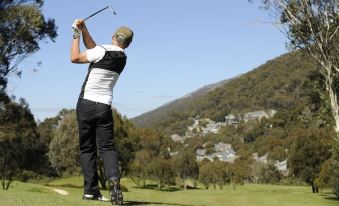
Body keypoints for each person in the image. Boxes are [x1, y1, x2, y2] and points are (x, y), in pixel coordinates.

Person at [70, 19, 133, 205]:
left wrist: (75, 33)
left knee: (87, 148)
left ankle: (91, 191)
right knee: (107, 148)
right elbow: (96, 49)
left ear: (113, 37)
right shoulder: (122, 57)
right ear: (127, 44)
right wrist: (84, 30)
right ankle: (113, 180)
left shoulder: (102, 51)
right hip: (104, 107)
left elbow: (74, 58)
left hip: (86, 105)